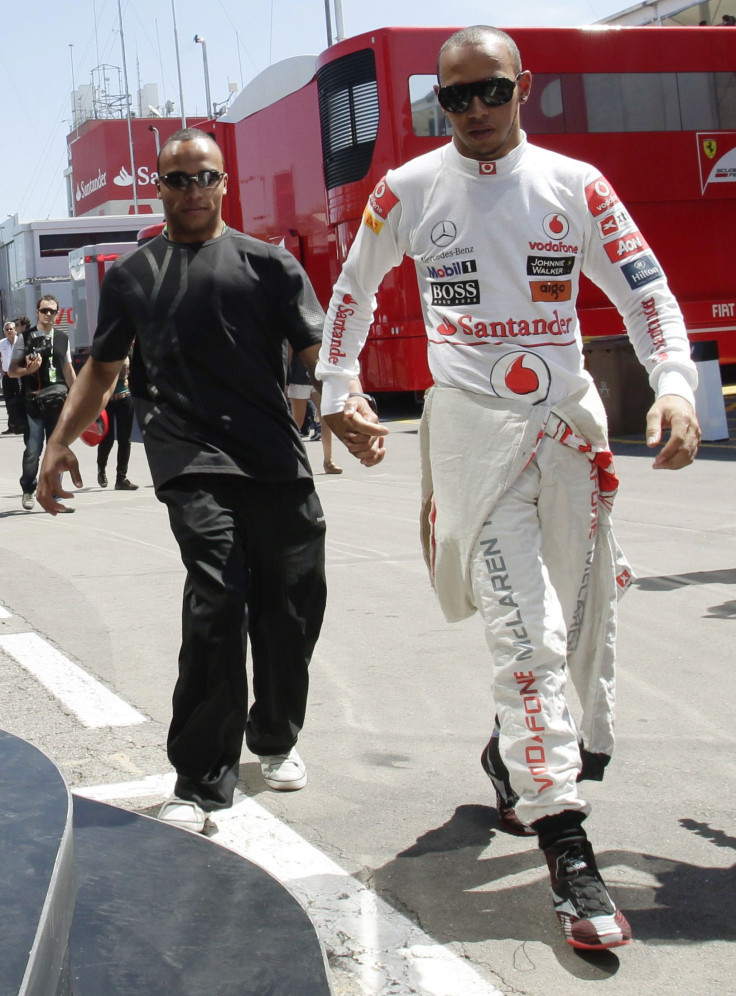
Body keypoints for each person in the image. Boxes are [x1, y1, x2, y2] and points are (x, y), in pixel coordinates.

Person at [317, 26, 701, 950]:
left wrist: (678, 385)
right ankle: (568, 845)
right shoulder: (406, 192)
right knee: (524, 635)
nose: (476, 111)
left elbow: (645, 288)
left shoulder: (577, 185)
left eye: (490, 91)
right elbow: (352, 295)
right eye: (456, 99)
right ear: (437, 106)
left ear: (521, 86)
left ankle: (511, 753)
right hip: (470, 440)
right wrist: (338, 388)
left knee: (575, 629)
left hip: (569, 434)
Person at [37, 128, 381, 833]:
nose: (191, 191)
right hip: (189, 457)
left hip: (275, 459)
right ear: (157, 187)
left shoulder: (270, 265)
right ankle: (199, 779)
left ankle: (276, 735)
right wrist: (59, 445)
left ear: (225, 184)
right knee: (217, 599)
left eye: (204, 178)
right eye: (175, 179)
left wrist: (349, 407)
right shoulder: (133, 276)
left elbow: (321, 352)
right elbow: (103, 369)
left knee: (291, 607)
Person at [9, 296, 76, 510]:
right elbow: (11, 371)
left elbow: (67, 368)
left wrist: (77, 396)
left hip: (58, 402)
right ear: (37, 312)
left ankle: (54, 492)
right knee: (33, 450)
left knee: (56, 450)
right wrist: (28, 370)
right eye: (45, 310)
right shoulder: (25, 338)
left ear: (57, 313)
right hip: (34, 404)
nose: (49, 314)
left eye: (53, 311)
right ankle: (28, 489)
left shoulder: (63, 338)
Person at [96, 355, 138, 491]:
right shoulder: (105, 350)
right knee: (107, 439)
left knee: (124, 440)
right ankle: (101, 468)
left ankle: (121, 478)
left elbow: (136, 371)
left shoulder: (129, 351)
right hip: (107, 401)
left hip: (125, 399)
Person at [1, 321, 23, 434]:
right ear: (4, 332)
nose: (9, 331)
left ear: (15, 330)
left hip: (18, 375)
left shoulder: (21, 342)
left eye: (11, 329)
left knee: (19, 400)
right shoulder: (1, 343)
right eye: (7, 329)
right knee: (9, 401)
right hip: (7, 376)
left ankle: (21, 424)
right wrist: (2, 371)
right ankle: (11, 426)